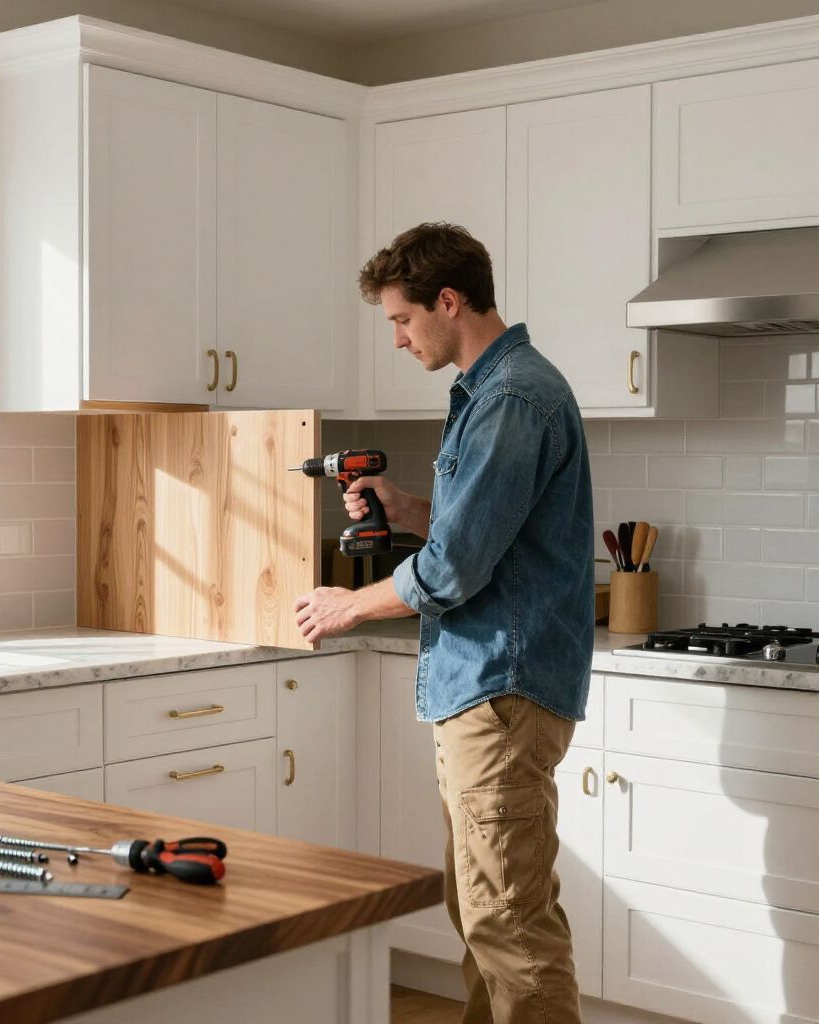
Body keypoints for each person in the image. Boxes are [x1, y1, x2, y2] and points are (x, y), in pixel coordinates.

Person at [294, 222, 594, 1024]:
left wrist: (347, 604)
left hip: (501, 685)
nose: (396, 338)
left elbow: (455, 570)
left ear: (449, 302)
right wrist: (410, 509)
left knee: (508, 919)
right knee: (480, 907)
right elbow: (488, 535)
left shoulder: (510, 399)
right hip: (486, 685)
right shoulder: (494, 393)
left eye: (402, 318)